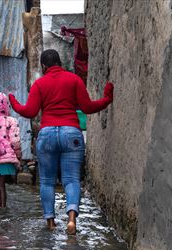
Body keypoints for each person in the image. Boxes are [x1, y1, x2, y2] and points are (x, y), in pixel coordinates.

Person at [8, 49, 114, 235]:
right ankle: (71, 219)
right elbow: (87, 107)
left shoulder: (40, 84)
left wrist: (13, 101)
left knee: (47, 181)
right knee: (72, 179)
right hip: (71, 133)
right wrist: (106, 99)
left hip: (47, 134)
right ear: (60, 63)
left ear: (43, 66)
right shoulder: (74, 80)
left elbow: (29, 112)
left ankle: (50, 222)